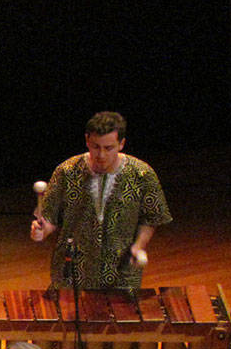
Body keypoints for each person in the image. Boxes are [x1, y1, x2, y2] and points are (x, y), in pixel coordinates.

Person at [30, 110, 171, 292]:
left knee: (120, 318)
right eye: (96, 147)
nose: (101, 155)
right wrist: (42, 231)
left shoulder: (142, 174)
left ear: (121, 144)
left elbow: (151, 218)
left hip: (121, 272)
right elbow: (49, 217)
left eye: (108, 148)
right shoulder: (66, 171)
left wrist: (138, 246)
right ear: (87, 140)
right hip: (73, 270)